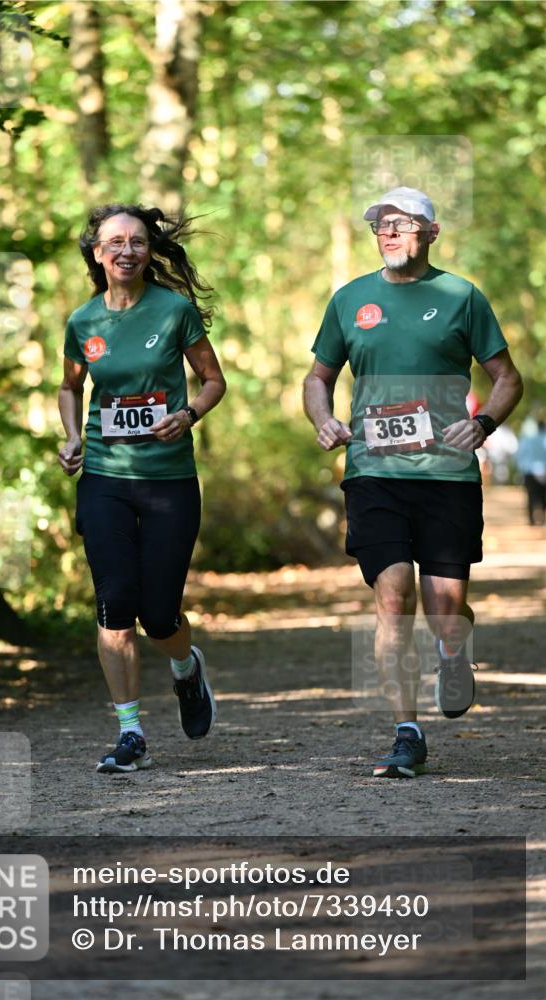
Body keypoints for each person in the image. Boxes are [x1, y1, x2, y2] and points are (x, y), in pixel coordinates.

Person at [304, 186, 523, 778]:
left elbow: (507, 378)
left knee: (445, 608)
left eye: (403, 224)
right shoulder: (350, 299)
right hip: (374, 471)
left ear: (431, 232)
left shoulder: (460, 296)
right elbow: (318, 377)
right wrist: (323, 418)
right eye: (382, 225)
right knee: (393, 593)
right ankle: (407, 733)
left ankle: (453, 649)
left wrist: (483, 423)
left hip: (446, 474)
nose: (391, 233)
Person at [58, 203, 226, 773]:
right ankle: (130, 733)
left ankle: (186, 670)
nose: (126, 250)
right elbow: (69, 387)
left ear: (149, 250)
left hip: (168, 480)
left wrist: (189, 414)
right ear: (97, 253)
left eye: (137, 241)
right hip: (105, 477)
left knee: (158, 614)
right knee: (115, 605)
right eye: (115, 242)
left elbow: (213, 380)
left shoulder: (174, 310)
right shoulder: (83, 322)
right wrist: (71, 436)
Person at [517, 419, 546, 525]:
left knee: (531, 495)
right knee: (543, 496)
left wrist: (521, 468)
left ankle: (531, 520)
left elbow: (520, 454)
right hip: (544, 470)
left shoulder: (528, 439)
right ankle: (542, 518)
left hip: (530, 471)